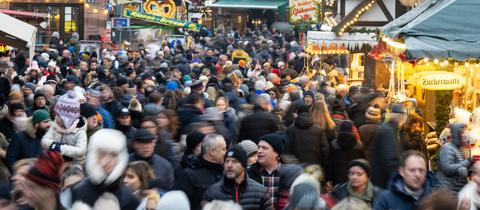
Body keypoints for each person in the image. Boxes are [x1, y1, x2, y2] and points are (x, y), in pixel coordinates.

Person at [63, 129, 139, 210]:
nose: (108, 160)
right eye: (103, 154)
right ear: (94, 155)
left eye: (114, 154)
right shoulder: (77, 191)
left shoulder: (128, 198)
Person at [203, 145, 273, 209]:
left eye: (234, 161)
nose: (229, 165)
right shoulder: (213, 192)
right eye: (227, 161)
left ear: (244, 165)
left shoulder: (259, 191)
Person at [248, 133, 302, 210]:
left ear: (276, 153)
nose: (259, 151)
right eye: (258, 147)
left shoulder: (291, 174)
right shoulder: (250, 173)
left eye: (264, 148)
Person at [373, 150, 440, 210]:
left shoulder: (438, 198)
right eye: (412, 170)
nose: (417, 174)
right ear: (401, 171)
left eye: (421, 170)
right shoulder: (386, 199)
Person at [175, 133, 226, 210]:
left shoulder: (226, 173)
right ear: (212, 151)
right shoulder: (188, 175)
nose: (226, 152)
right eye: (223, 149)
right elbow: (179, 205)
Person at [41, 91, 87, 162]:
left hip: (73, 167)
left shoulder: (80, 131)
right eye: (56, 114)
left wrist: (60, 148)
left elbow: (81, 151)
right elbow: (44, 141)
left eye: (58, 115)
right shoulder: (55, 125)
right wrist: (55, 145)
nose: (55, 117)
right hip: (57, 164)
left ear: (67, 119)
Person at [370, 104, 406, 188]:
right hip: (384, 181)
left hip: (382, 180)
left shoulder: (389, 129)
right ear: (400, 117)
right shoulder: (388, 131)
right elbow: (390, 159)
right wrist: (396, 181)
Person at [286, 105, 329, 170]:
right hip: (314, 167)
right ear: (309, 113)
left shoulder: (290, 130)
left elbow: (286, 149)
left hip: (296, 167)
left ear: (297, 113)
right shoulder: (318, 129)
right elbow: (325, 149)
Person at [436, 123, 472, 192]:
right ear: (457, 135)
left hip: (455, 190)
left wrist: (469, 170)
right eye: (462, 133)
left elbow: (460, 168)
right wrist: (468, 162)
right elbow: (448, 168)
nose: (464, 136)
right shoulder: (447, 148)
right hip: (447, 191)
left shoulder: (457, 149)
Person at [330, 120, 366, 185]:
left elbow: (330, 162)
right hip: (354, 177)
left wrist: (329, 177)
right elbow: (363, 161)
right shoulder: (359, 145)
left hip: (337, 176)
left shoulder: (334, 144)